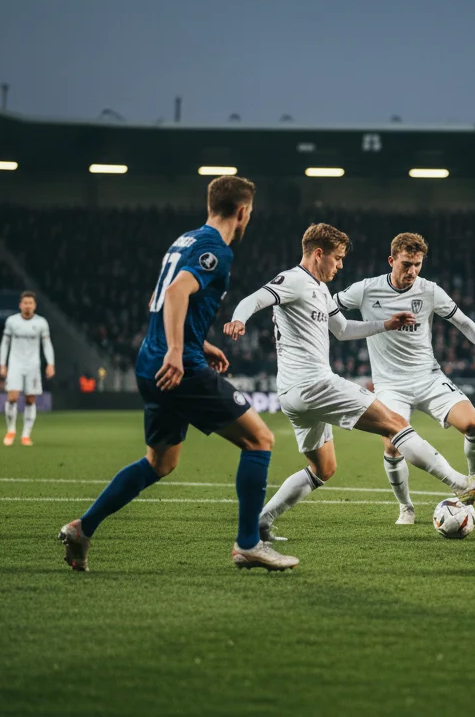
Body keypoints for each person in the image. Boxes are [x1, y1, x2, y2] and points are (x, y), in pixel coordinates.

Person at [59, 175, 297, 572]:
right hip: (177, 366)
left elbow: (161, 299)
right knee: (260, 440)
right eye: (249, 213)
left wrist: (197, 342)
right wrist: (178, 350)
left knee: (160, 462)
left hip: (150, 363)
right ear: (242, 212)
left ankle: (83, 528)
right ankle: (248, 544)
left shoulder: (183, 240)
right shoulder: (216, 250)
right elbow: (174, 295)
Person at [225, 223, 475, 542]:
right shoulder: (295, 280)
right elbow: (256, 298)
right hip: (314, 384)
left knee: (323, 469)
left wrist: (385, 324)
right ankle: (460, 483)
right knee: (396, 424)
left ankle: (261, 523)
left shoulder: (319, 289)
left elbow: (343, 329)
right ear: (319, 254)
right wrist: (238, 318)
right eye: (338, 258)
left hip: (293, 394)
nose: (341, 265)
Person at [333, 232, 475, 525]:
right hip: (391, 385)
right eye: (406, 264)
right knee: (392, 445)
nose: (413, 271)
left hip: (428, 377)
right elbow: (329, 306)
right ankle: (406, 507)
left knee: (474, 424)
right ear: (392, 260)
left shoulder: (429, 291)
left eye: (418, 264)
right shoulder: (366, 290)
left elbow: (463, 322)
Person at [0, 291, 55, 446]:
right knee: (12, 397)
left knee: (30, 400)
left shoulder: (42, 323)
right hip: (15, 363)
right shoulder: (12, 322)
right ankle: (11, 430)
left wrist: (50, 363)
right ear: (20, 305)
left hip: (33, 365)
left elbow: (47, 344)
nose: (28, 306)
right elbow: (5, 343)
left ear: (35, 305)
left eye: (31, 303)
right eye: (26, 303)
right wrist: (2, 364)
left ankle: (26, 434)